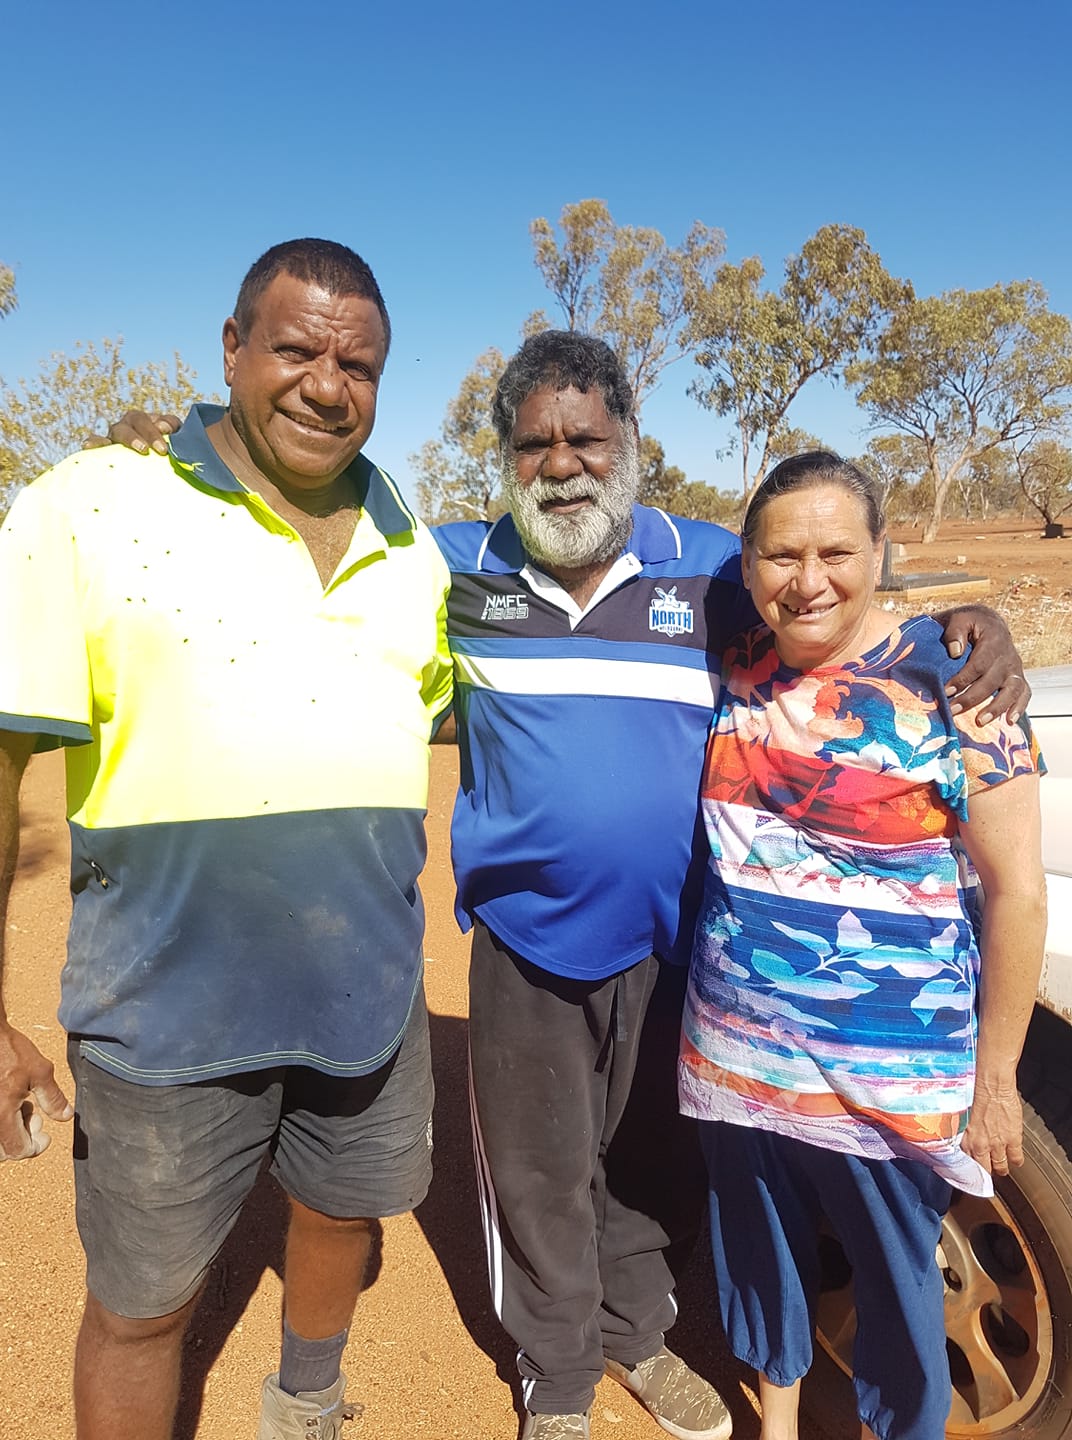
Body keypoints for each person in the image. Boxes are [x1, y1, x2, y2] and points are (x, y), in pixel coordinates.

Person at [98, 334, 1029, 1440]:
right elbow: (314, 529)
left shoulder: (710, 566)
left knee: (655, 1167)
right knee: (539, 1181)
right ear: (503, 455)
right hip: (526, 943)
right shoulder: (451, 563)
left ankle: (636, 1331)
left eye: (585, 437)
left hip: (688, 949)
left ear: (628, 442)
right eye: (533, 442)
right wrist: (193, 454)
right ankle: (557, 1373)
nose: (562, 463)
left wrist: (964, 629)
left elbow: (824, 587)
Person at [0, 238, 453, 1440]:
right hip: (162, 1020)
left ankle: (305, 1400)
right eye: (295, 348)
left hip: (365, 992)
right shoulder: (94, 508)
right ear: (232, 350)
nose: (325, 383)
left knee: (339, 1216)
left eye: (356, 362)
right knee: (140, 1309)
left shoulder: (413, 551)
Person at [678, 452, 1046, 1440]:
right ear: (748, 567)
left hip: (892, 1076)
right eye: (781, 555)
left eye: (836, 550)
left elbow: (1015, 895)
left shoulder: (961, 687)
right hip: (736, 1057)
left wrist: (998, 1079)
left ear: (882, 553)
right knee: (758, 1261)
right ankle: (780, 1424)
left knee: (898, 1294)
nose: (809, 579)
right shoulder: (733, 663)